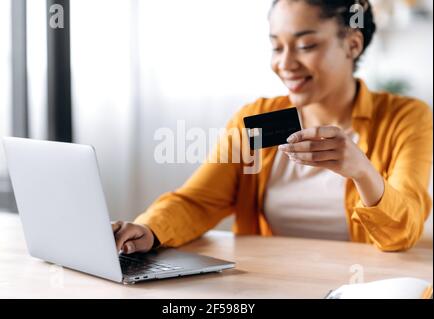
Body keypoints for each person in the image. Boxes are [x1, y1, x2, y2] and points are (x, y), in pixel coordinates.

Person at [112, 0, 433, 253]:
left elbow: (402, 233)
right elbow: (197, 202)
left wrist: (362, 172)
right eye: (277, 47)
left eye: (306, 46)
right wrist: (150, 230)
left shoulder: (405, 118)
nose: (286, 63)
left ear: (352, 44)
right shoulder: (258, 117)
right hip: (272, 284)